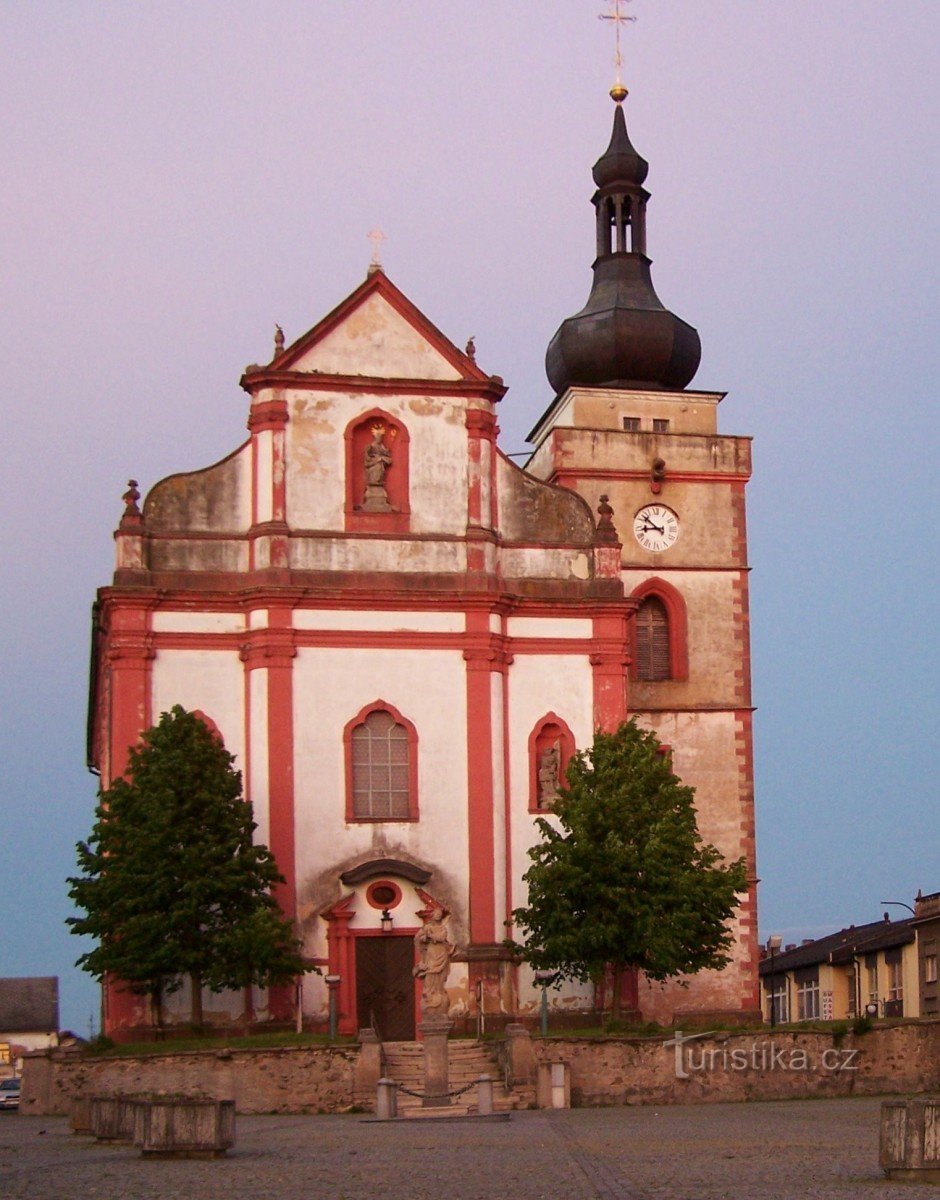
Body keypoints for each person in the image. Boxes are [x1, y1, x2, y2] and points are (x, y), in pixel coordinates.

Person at [413, 908, 455, 1012]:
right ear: (432, 915)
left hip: (441, 952)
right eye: (436, 913)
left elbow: (442, 937)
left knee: (440, 974)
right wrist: (424, 938)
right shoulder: (427, 927)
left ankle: (439, 992)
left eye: (440, 914)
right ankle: (429, 993)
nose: (438, 915)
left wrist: (431, 935)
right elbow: (417, 938)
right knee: (430, 972)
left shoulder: (443, 928)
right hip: (432, 953)